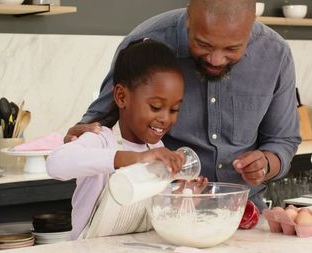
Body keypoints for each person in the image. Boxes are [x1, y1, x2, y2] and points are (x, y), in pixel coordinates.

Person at [66, 0, 301, 211]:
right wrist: (83, 135)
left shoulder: (275, 53)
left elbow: (284, 140)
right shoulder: (147, 42)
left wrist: (266, 163)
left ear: (252, 25)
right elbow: (101, 116)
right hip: (163, 214)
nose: (216, 59)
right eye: (203, 44)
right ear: (189, 17)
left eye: (232, 49)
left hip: (244, 213)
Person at [47, 39, 207, 240]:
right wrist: (137, 158)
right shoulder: (101, 140)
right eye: (156, 107)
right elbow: (55, 163)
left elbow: (153, 215)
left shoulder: (157, 147)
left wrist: (183, 198)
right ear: (122, 97)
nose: (166, 118)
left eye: (174, 109)